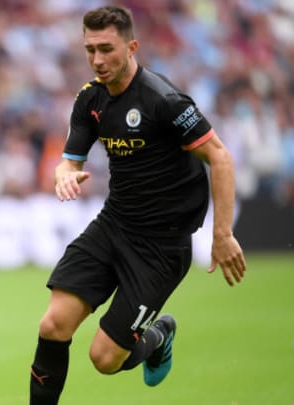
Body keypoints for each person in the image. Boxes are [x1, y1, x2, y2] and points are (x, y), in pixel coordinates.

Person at [29, 6, 247, 404]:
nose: (97, 60)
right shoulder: (90, 98)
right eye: (90, 49)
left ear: (132, 47)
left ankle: (159, 334)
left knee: (105, 359)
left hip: (160, 247)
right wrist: (64, 173)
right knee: (53, 325)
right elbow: (70, 158)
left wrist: (223, 233)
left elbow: (220, 157)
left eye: (106, 49)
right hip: (113, 225)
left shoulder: (164, 101)